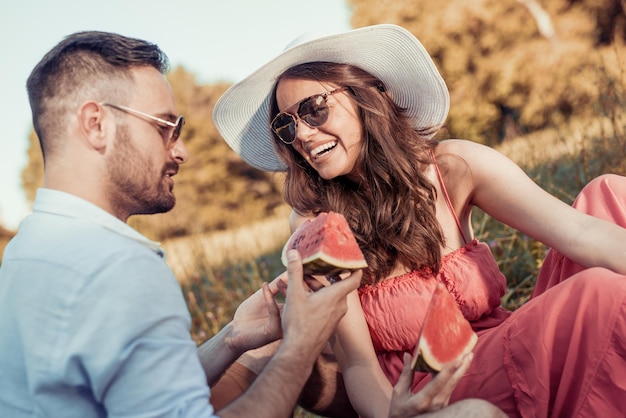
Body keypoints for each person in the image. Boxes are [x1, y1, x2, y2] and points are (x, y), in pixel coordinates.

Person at [0, 29, 495, 418]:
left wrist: (233, 339)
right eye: (164, 126)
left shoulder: (29, 253)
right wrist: (300, 343)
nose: (182, 151)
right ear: (96, 123)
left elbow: (139, 396)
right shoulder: (118, 268)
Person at [212, 23, 626, 417]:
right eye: (287, 124)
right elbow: (358, 365)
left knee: (608, 194)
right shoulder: (315, 223)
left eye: (315, 109)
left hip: (505, 340)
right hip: (438, 387)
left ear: (369, 97)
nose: (301, 134)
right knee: (599, 291)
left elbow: (580, 230)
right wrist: (397, 415)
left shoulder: (454, 166)